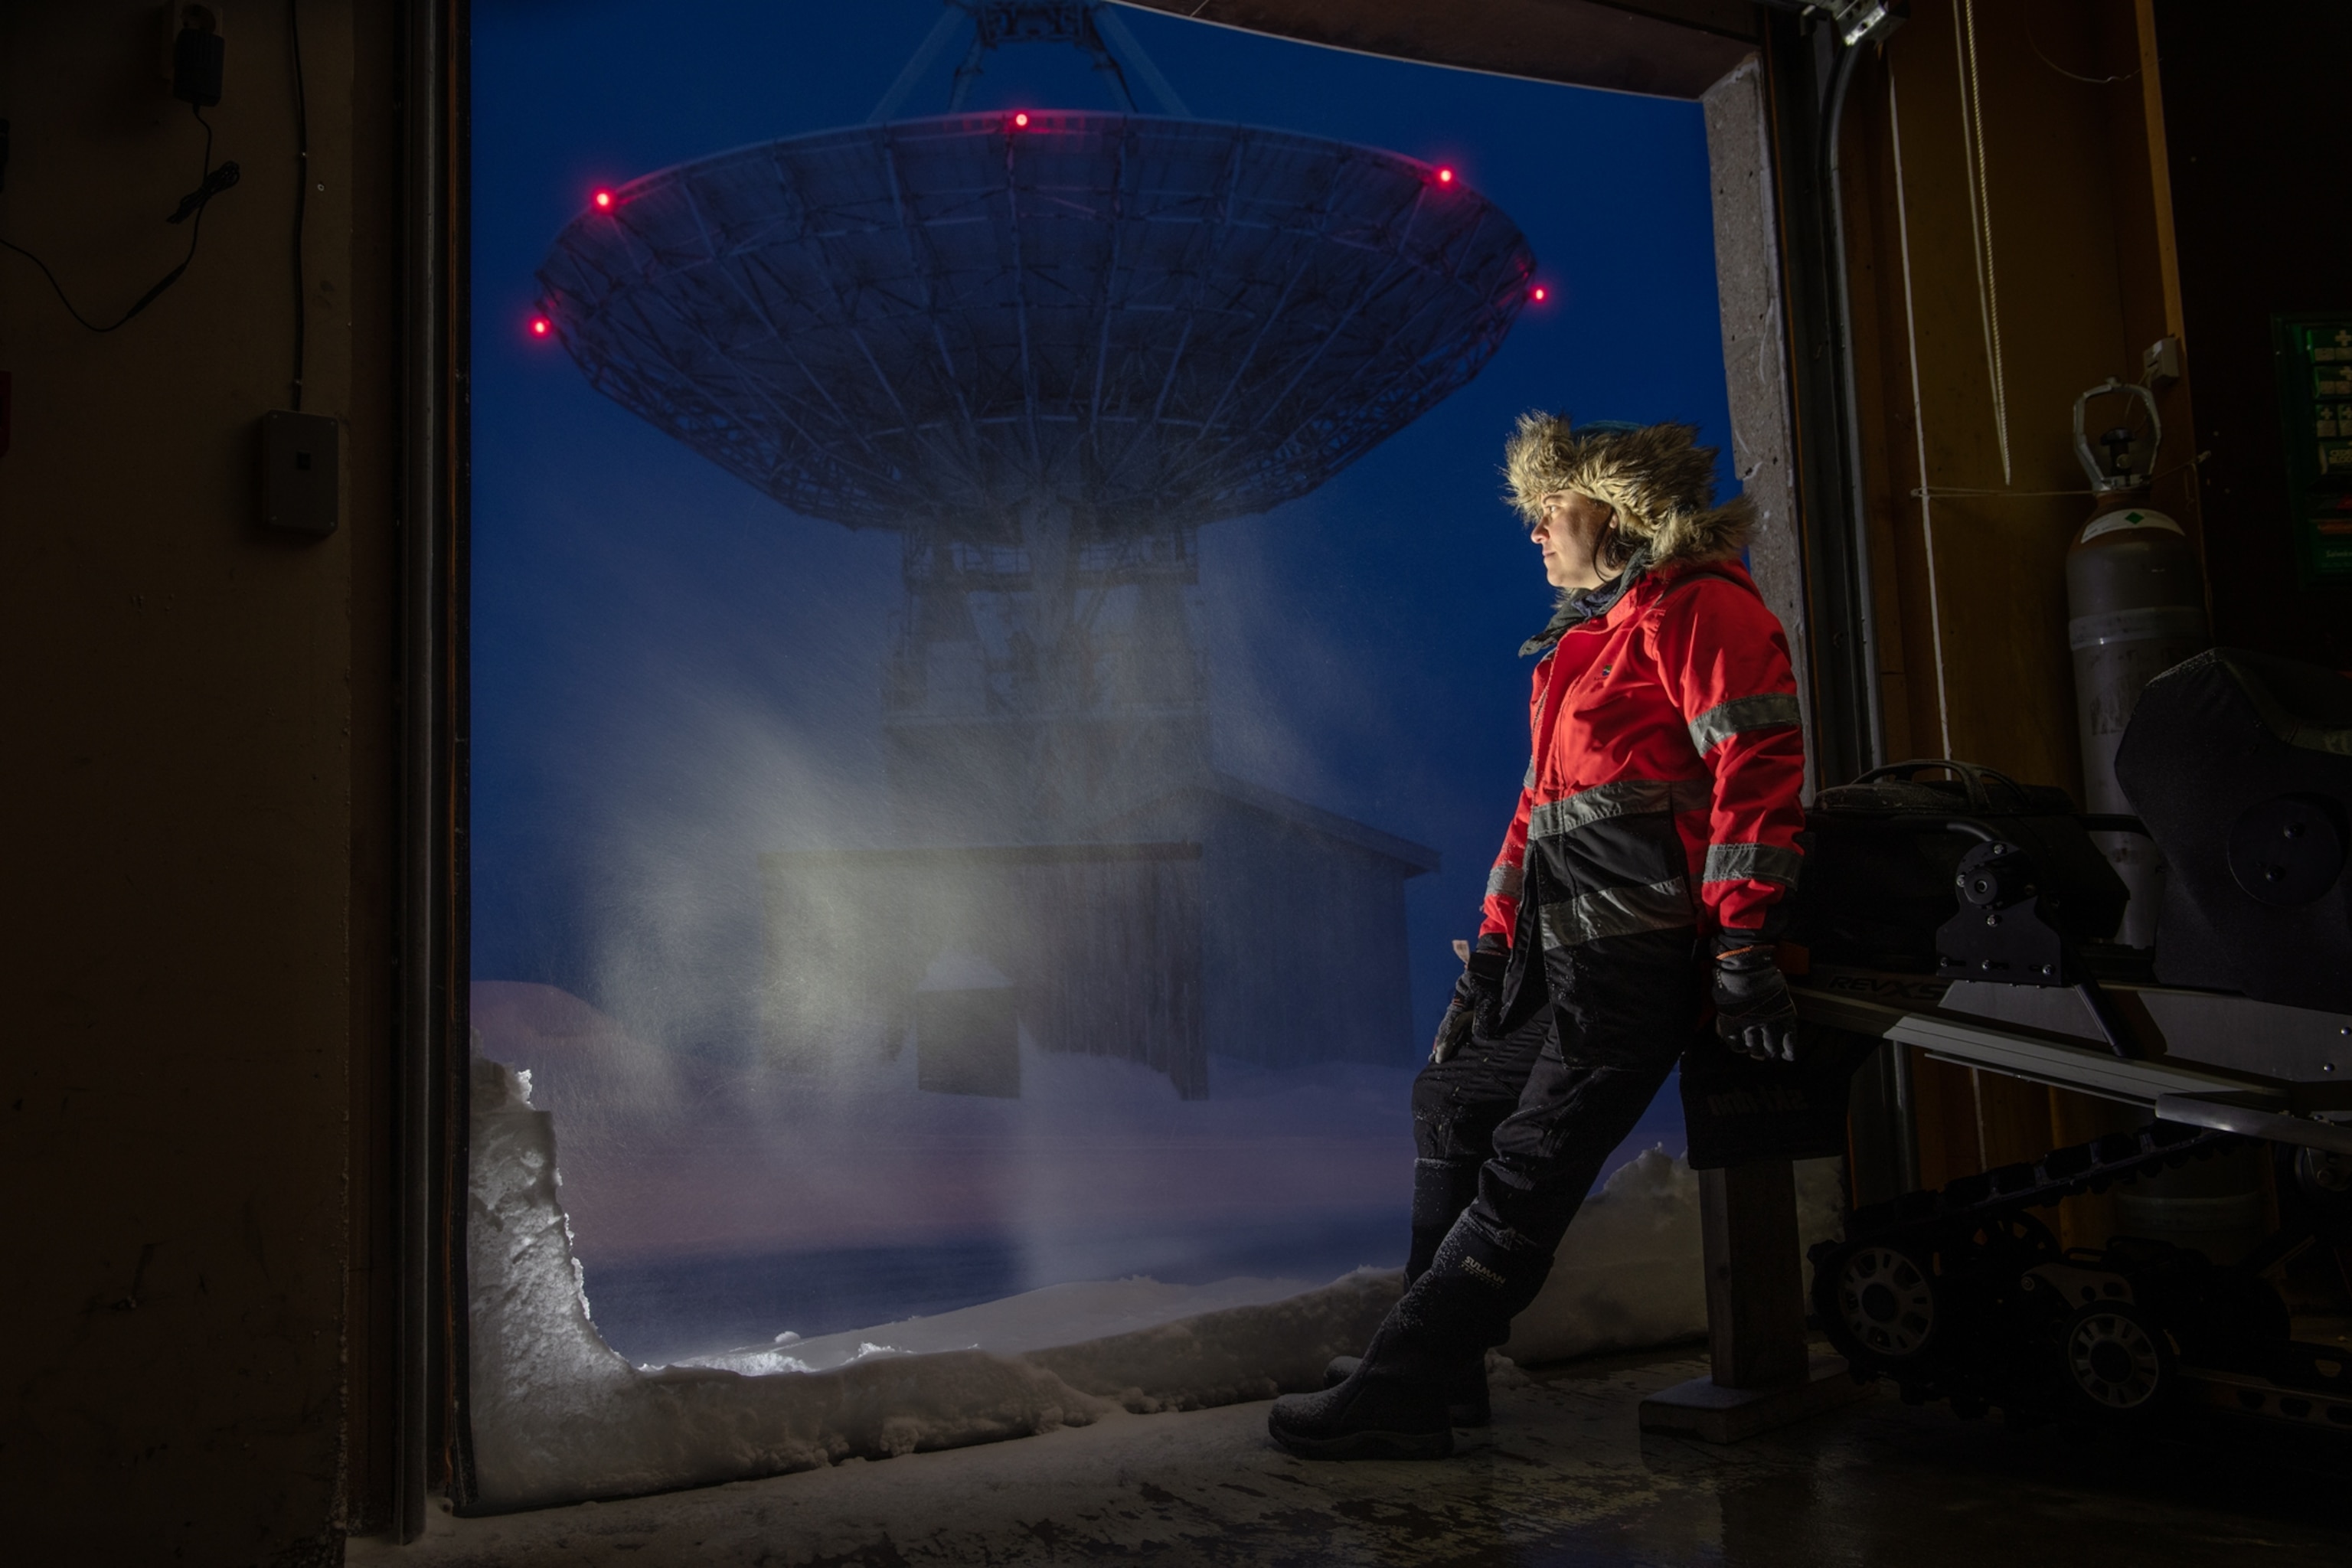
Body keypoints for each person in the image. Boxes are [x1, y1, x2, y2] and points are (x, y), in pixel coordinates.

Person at [1269, 415, 1808, 1460]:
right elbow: (1535, 818)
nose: (1533, 535)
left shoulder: (1700, 610)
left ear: (1610, 506)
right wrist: (1490, 954)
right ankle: (1442, 1374)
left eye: (1546, 509)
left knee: (1530, 1164)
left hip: (1637, 960)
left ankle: (1402, 1377)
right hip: (1558, 962)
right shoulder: (1578, 648)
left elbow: (1758, 768)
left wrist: (1742, 947)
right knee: (1455, 1095)